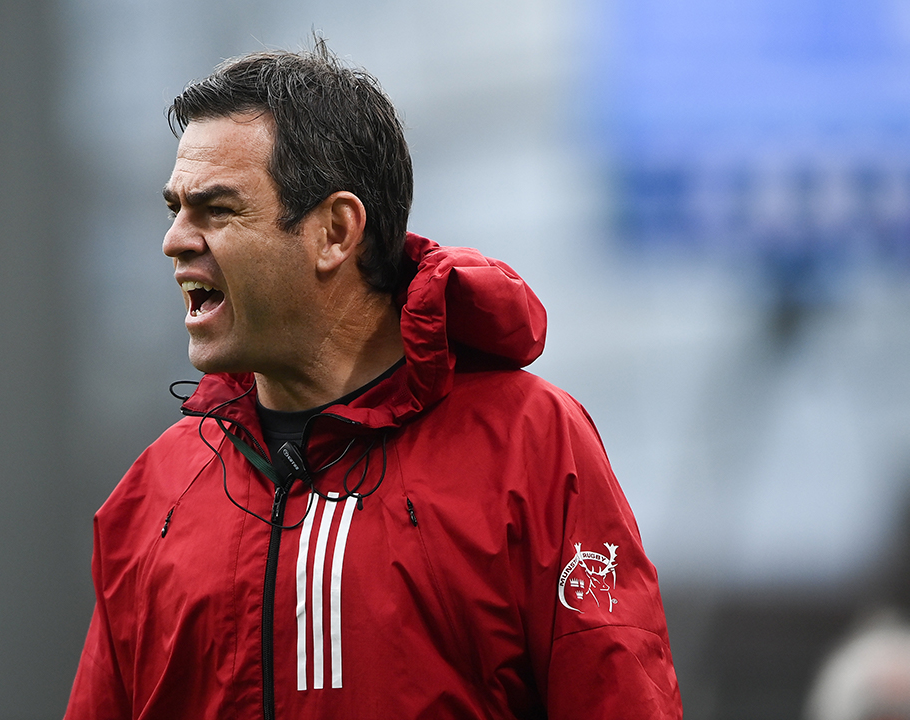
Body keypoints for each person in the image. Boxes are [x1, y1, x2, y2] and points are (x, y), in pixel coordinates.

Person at [65, 38, 682, 719]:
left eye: (216, 210)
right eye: (175, 209)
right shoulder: (153, 493)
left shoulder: (529, 446)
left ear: (334, 230)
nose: (175, 239)